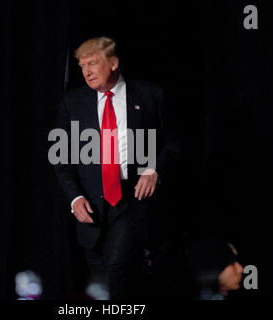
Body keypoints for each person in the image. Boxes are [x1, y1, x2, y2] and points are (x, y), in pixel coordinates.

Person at [54, 37, 179, 299]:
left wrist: (153, 169)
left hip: (130, 201)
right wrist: (74, 198)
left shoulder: (149, 96)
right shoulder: (72, 102)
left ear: (113, 63)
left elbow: (173, 143)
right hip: (91, 208)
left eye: (92, 64)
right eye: (81, 66)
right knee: (103, 285)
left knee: (112, 278)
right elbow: (62, 159)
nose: (86, 72)